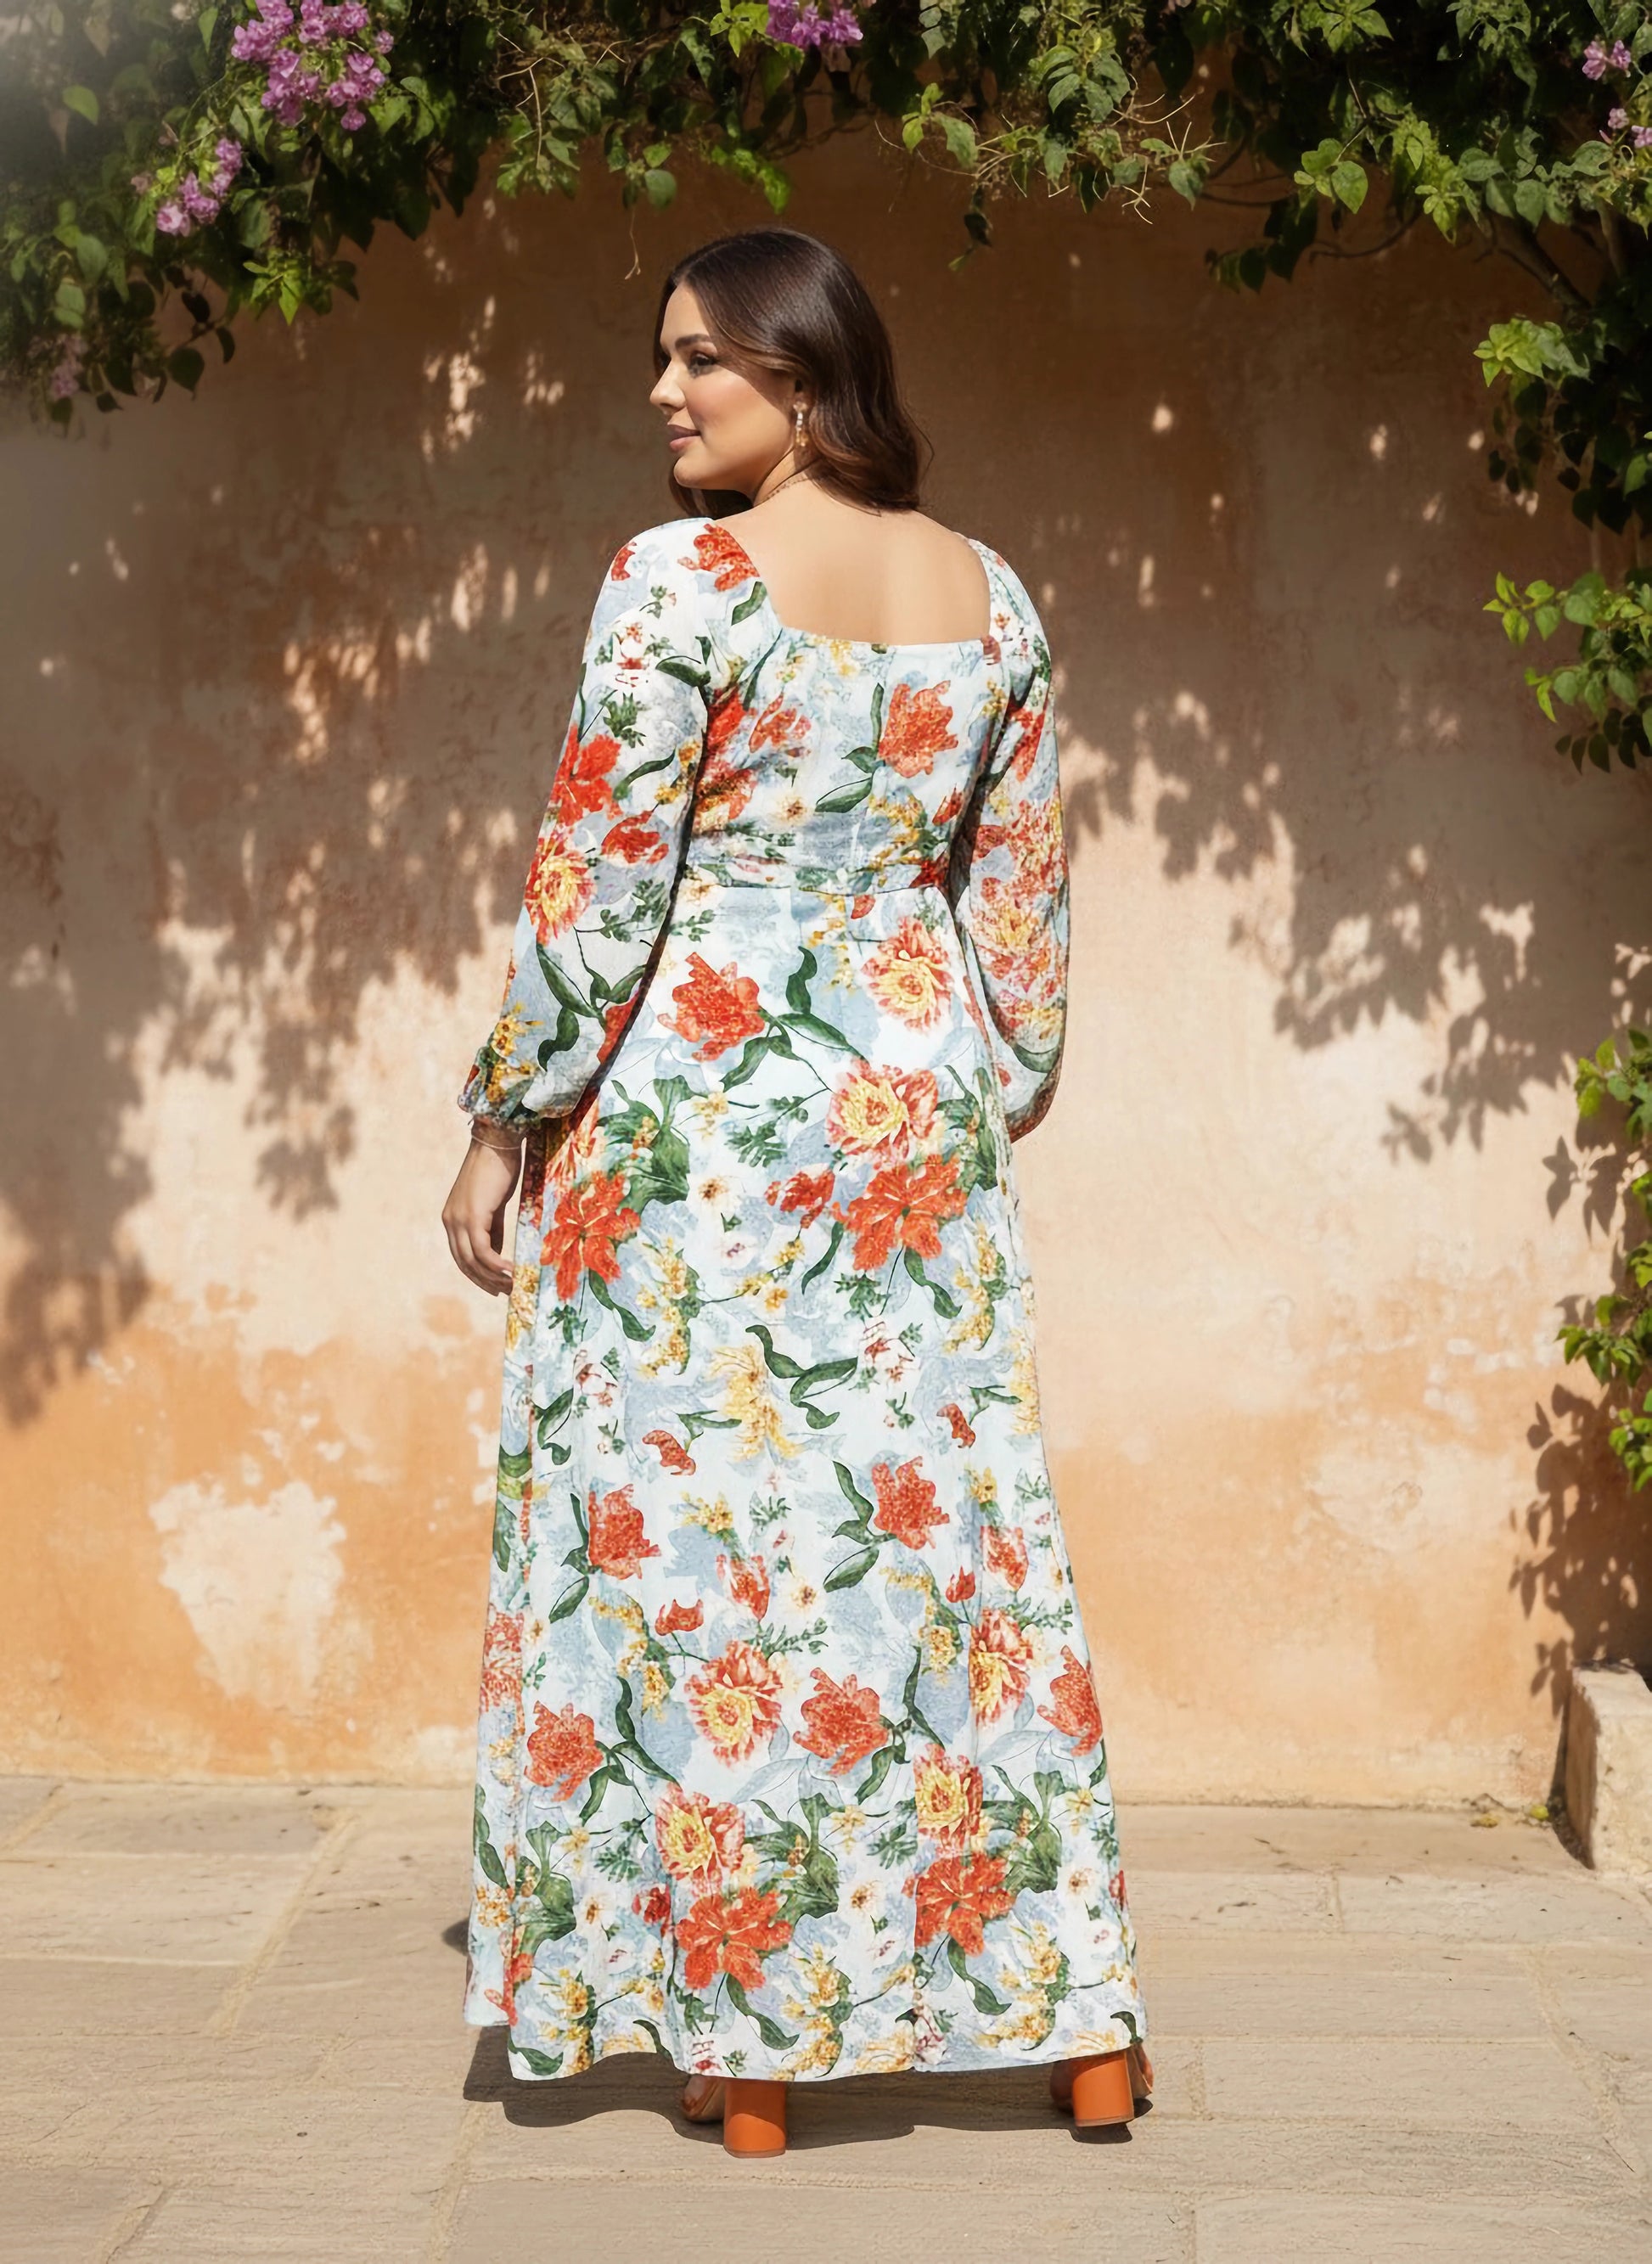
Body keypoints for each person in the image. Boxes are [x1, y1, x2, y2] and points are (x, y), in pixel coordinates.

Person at [441, 226, 1150, 2159]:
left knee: (714, 1559)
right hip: (913, 1113)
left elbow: (598, 881)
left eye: (702, 359)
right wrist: (965, 1088)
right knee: (954, 1556)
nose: (663, 392)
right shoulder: (992, 593)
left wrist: (507, 1116)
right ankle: (1077, 2019)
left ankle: (749, 2039)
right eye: (664, 356)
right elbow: (1021, 910)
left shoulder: (679, 580)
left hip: (702, 1119)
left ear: (807, 370)